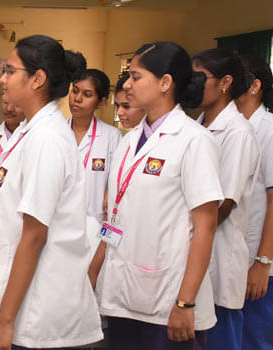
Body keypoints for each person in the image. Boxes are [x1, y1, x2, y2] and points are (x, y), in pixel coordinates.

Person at [0, 35, 102, 349]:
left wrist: (5, 322)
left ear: (38, 79)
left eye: (10, 70)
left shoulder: (46, 140)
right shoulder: (30, 132)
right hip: (21, 303)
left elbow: (34, 236)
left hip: (36, 314)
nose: (2, 79)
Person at [89, 42, 223, 349]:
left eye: (136, 76)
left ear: (165, 83)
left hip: (168, 299)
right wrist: (93, 272)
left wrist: (185, 303)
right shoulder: (128, 141)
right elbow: (115, 215)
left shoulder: (193, 141)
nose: (127, 85)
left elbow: (206, 226)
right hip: (122, 293)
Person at [190, 48, 260, 350]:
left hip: (217, 254)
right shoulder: (198, 125)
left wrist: (189, 241)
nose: (192, 85)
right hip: (194, 253)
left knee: (220, 339)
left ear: (225, 82)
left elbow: (225, 204)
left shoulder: (238, 132)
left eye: (199, 78)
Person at [235, 53, 273, 350]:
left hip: (257, 262)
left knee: (253, 338)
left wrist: (263, 262)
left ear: (254, 86)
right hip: (228, 259)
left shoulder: (268, 129)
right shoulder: (217, 125)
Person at [69, 69, 123, 221]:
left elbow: (116, 188)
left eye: (87, 95)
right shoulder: (55, 133)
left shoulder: (112, 137)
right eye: (74, 91)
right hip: (57, 224)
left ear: (101, 102)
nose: (77, 99)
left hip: (93, 225)